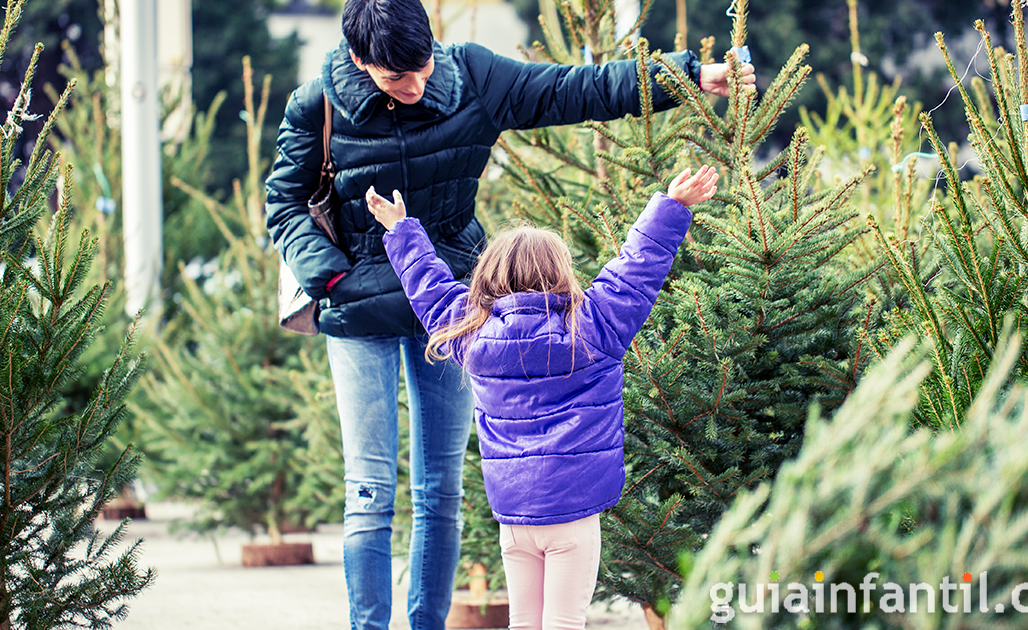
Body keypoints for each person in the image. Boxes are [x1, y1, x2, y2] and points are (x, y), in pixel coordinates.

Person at [264, 0, 754, 626]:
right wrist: (332, 277)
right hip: (359, 307)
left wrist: (687, 78)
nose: (414, 88)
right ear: (360, 60)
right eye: (394, 79)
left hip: (455, 308)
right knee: (370, 489)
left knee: (440, 489)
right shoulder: (318, 106)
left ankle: (427, 622)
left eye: (419, 68)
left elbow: (575, 89)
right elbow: (283, 204)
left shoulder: (470, 77)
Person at [365, 164, 720, 630]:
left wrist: (402, 230)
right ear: (561, 274)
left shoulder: (474, 338)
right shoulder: (593, 328)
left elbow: (430, 291)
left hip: (514, 516)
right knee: (563, 623)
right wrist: (671, 207)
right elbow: (634, 271)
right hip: (573, 515)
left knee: (525, 623)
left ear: (489, 278)